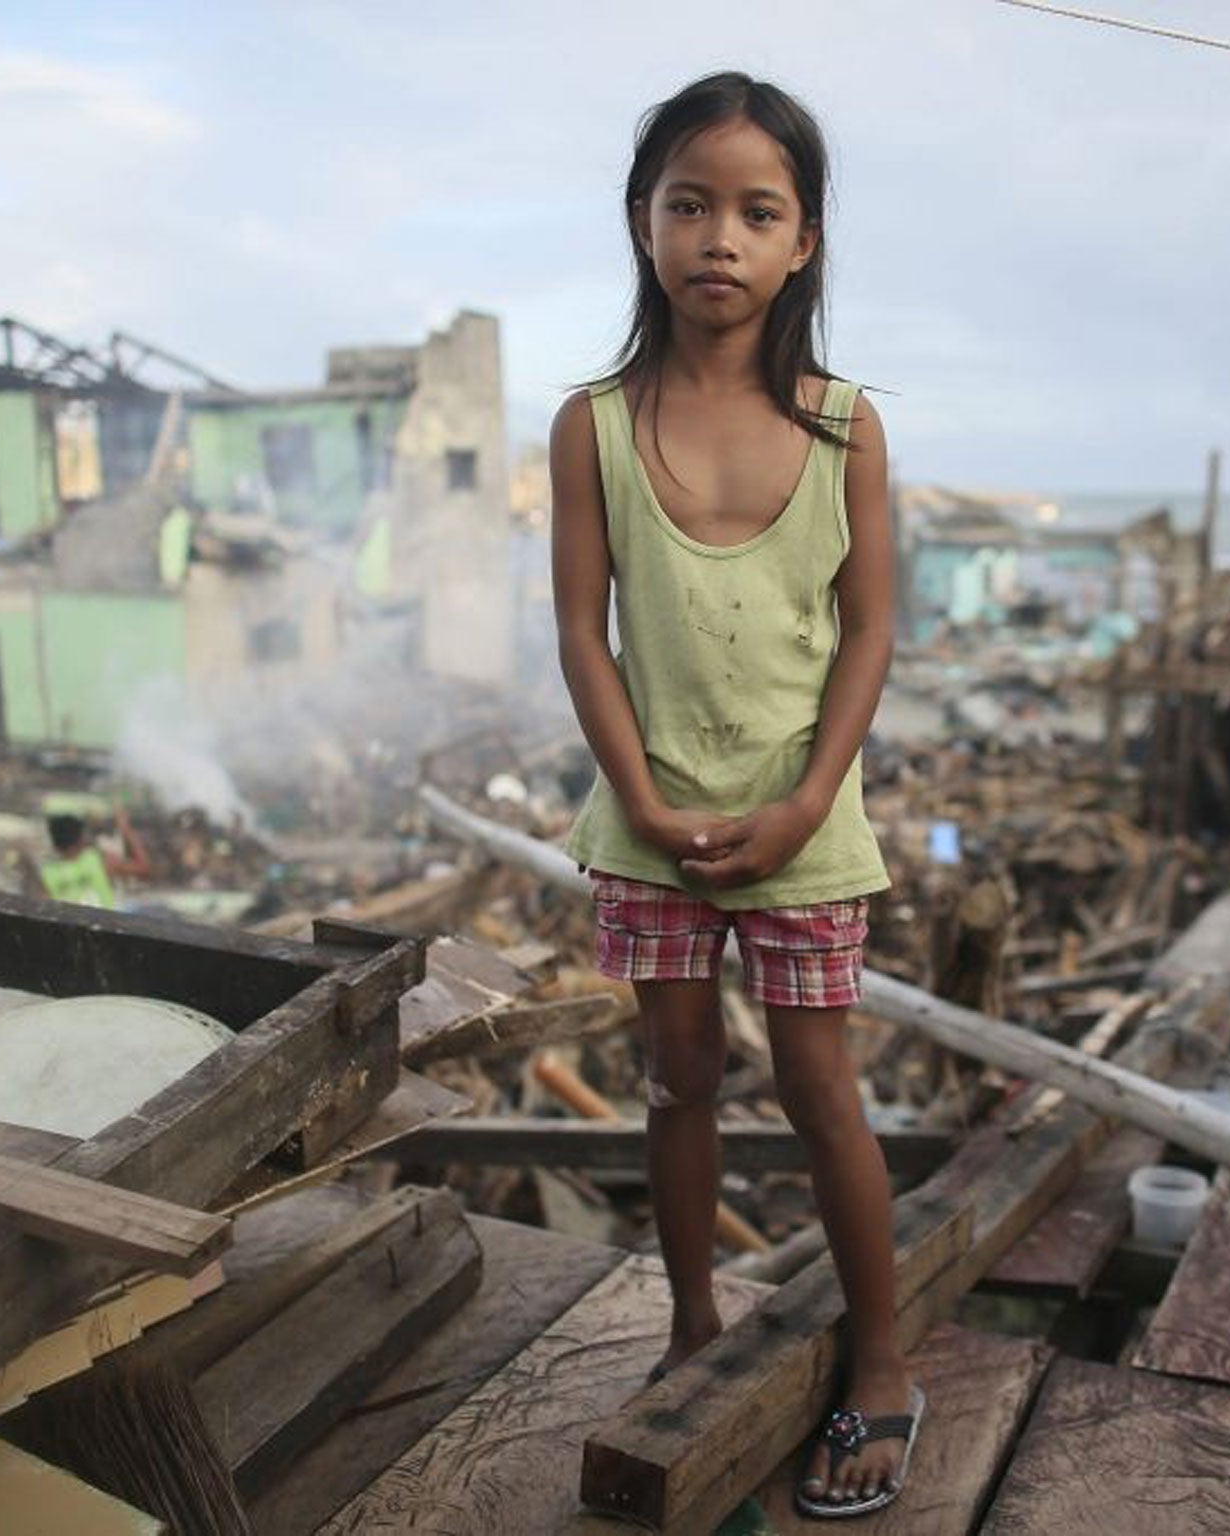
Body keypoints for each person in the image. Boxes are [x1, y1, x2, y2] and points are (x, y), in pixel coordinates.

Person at [552, 71, 920, 1520]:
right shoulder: (593, 424)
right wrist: (638, 797)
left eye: (756, 211)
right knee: (680, 1079)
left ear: (802, 244)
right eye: (689, 204)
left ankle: (882, 1361)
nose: (719, 237)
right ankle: (692, 1321)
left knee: (824, 1090)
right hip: (646, 829)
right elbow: (583, 629)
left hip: (803, 832)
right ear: (644, 224)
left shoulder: (844, 428)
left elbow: (872, 628)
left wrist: (809, 799)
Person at [39, 806, 152, 910]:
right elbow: (144, 868)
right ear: (80, 838)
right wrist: (126, 828)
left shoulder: (47, 873)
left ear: (54, 843)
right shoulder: (99, 860)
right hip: (105, 928)